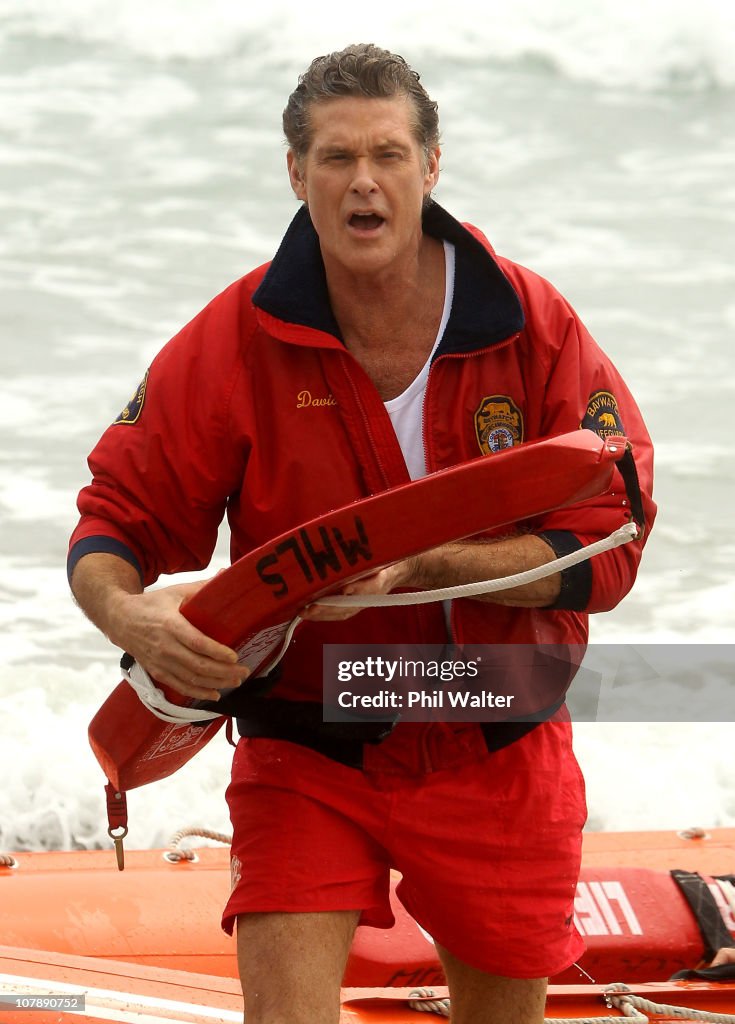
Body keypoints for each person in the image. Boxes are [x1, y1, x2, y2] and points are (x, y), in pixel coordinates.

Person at [68, 43, 656, 1024]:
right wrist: (129, 614)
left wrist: (432, 566)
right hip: (310, 740)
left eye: (387, 153)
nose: (363, 182)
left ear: (431, 165)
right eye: (336, 158)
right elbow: (114, 520)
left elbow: (614, 537)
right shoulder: (235, 340)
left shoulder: (533, 325)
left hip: (496, 728)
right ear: (295, 172)